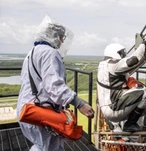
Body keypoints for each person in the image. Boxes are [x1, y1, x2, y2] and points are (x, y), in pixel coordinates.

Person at [16, 15, 94, 151]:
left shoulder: (32, 53)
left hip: (28, 110)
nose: (62, 40)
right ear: (52, 35)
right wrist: (79, 103)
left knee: (44, 146)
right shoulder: (49, 53)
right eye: (61, 36)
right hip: (41, 112)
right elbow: (54, 86)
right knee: (46, 147)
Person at [97, 41, 146, 132]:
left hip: (107, 108)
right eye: (121, 53)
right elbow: (134, 60)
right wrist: (143, 44)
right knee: (144, 92)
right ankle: (130, 124)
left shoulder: (103, 65)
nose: (123, 55)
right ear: (114, 53)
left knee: (134, 94)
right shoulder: (113, 65)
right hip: (113, 109)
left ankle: (121, 125)